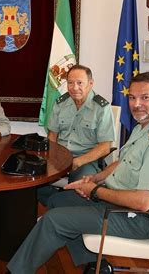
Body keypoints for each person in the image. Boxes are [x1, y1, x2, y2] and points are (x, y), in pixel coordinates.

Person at [7, 72, 149, 273]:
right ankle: (94, 264)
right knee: (56, 202)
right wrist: (95, 178)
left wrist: (94, 190)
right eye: (132, 97)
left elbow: (144, 202)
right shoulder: (146, 124)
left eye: (145, 97)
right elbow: (123, 162)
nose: (136, 104)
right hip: (118, 199)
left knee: (54, 220)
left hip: (137, 217)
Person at [37, 65, 115, 204]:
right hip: (59, 157)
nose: (74, 87)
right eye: (70, 83)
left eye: (80, 83)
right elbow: (52, 135)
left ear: (90, 84)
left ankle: (60, 211)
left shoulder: (101, 108)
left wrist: (78, 161)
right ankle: (56, 207)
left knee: (80, 189)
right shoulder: (61, 103)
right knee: (34, 183)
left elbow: (105, 147)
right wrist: (52, 158)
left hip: (85, 160)